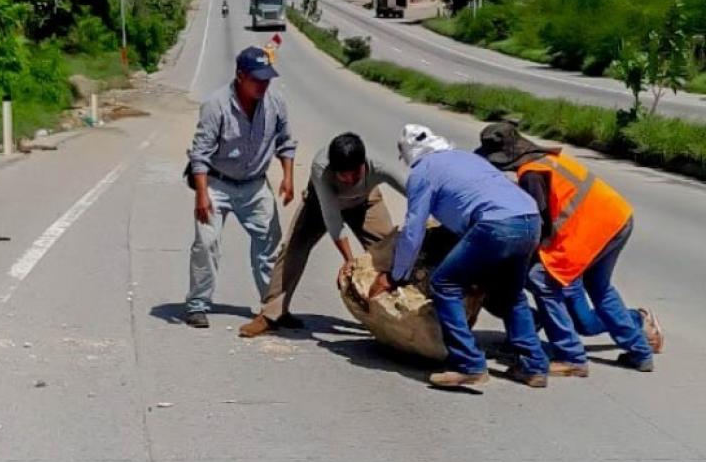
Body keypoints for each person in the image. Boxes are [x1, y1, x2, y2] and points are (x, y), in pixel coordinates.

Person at [370, 124, 549, 388]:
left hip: (495, 225)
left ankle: (469, 364)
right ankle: (534, 366)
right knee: (510, 294)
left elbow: (413, 229)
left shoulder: (423, 171)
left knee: (444, 284)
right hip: (530, 220)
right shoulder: (467, 158)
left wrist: (396, 274)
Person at [475, 122, 661, 373]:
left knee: (540, 280)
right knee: (600, 287)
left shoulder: (532, 174)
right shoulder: (549, 159)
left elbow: (537, 224)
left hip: (591, 231)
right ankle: (640, 352)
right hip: (617, 219)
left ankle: (571, 357)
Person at [239, 130, 412, 337]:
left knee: (390, 252)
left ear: (363, 165)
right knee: (294, 250)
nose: (348, 180)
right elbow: (332, 218)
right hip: (319, 205)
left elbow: (414, 191)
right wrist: (349, 261)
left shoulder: (379, 165)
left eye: (355, 174)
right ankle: (271, 314)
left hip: (365, 203)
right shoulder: (321, 168)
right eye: (342, 175)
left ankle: (403, 319)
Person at [184, 46, 296, 328]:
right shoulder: (216, 105)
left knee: (269, 247)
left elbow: (286, 141)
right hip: (217, 184)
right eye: (257, 79)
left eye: (266, 79)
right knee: (206, 243)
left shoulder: (275, 103)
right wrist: (202, 195)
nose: (263, 84)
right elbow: (200, 154)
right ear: (240, 76)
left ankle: (273, 308)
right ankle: (197, 304)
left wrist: (288, 176)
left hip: (255, 185)